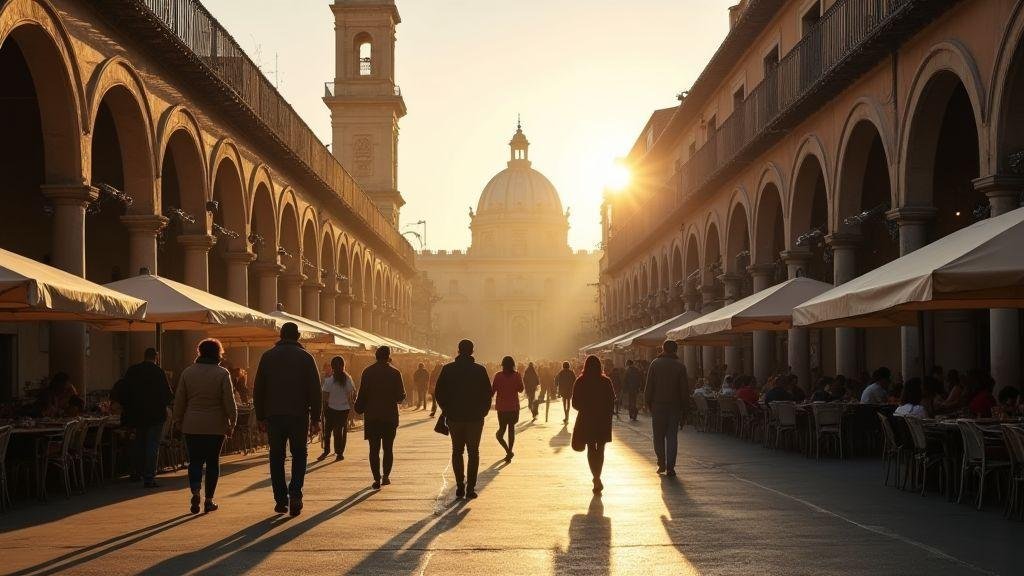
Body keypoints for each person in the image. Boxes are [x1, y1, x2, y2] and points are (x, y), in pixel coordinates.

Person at [253, 322, 322, 516]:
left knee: (277, 456)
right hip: (299, 415)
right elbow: (315, 390)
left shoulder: (267, 357)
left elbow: (259, 389)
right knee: (299, 454)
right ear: (298, 336)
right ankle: (295, 493)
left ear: (281, 335)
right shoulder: (306, 357)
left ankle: (281, 499)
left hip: (274, 415)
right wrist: (316, 418)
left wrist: (260, 416)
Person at [172, 339, 237, 514]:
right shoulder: (222, 373)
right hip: (216, 425)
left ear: (199, 352)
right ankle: (209, 500)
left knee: (195, 460)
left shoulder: (188, 372)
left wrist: (177, 419)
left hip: (192, 424)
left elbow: (180, 399)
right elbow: (229, 401)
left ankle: (195, 491)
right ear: (218, 353)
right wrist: (232, 421)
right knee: (212, 462)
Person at [435, 339, 491, 499]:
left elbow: (439, 392)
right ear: (472, 351)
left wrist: (446, 409)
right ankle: (470, 488)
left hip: (455, 417)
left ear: (458, 350)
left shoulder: (448, 369)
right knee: (473, 452)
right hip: (475, 418)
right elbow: (487, 393)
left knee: (457, 451)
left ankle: (460, 485)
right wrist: (483, 411)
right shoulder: (480, 370)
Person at [354, 346, 406, 489]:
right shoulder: (395, 373)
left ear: (376, 356)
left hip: (372, 417)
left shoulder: (367, 372)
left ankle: (376, 479)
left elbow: (362, 394)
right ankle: (386, 476)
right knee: (388, 448)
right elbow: (400, 397)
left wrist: (358, 407)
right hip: (389, 417)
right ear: (388, 357)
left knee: (374, 449)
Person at [120, 349, 172, 488]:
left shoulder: (133, 370)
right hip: (156, 415)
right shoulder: (158, 372)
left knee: (139, 444)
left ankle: (136, 472)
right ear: (156, 357)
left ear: (144, 356)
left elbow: (124, 391)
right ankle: (149, 477)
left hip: (137, 414)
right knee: (152, 445)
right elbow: (167, 395)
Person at [571, 355, 616, 494]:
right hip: (602, 420)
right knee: (601, 449)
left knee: (591, 448)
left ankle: (596, 478)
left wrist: (586, 408)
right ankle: (597, 476)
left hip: (587, 420)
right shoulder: (606, 381)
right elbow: (611, 401)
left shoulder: (580, 381)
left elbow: (575, 403)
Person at [645, 340, 689, 477]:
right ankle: (670, 467)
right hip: (674, 406)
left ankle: (661, 462)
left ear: (663, 349)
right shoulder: (680, 366)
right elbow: (684, 390)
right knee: (672, 437)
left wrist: (648, 402)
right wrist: (685, 408)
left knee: (658, 436)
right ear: (675, 350)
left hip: (658, 405)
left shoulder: (655, 364)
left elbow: (649, 386)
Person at [319, 356, 356, 462]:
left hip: (330, 409)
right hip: (344, 410)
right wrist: (351, 409)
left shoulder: (329, 381)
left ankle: (326, 450)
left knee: (327, 431)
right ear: (343, 366)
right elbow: (352, 395)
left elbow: (324, 397)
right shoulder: (348, 379)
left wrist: (323, 410)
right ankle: (339, 453)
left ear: (332, 367)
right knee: (340, 432)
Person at [492, 356, 524, 462]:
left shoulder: (498, 376)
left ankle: (508, 451)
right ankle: (510, 450)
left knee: (500, 432)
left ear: (503, 365)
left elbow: (492, 391)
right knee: (511, 429)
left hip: (502, 408)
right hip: (514, 407)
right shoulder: (517, 375)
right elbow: (521, 389)